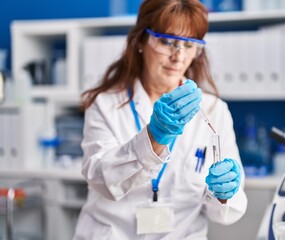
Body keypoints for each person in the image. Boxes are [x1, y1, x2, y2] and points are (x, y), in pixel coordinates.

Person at [73, 0, 247, 239]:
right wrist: (154, 136)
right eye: (167, 42)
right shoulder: (105, 105)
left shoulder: (214, 111)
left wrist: (225, 193)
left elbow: (225, 213)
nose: (178, 56)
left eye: (189, 45)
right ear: (142, 41)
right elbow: (101, 181)